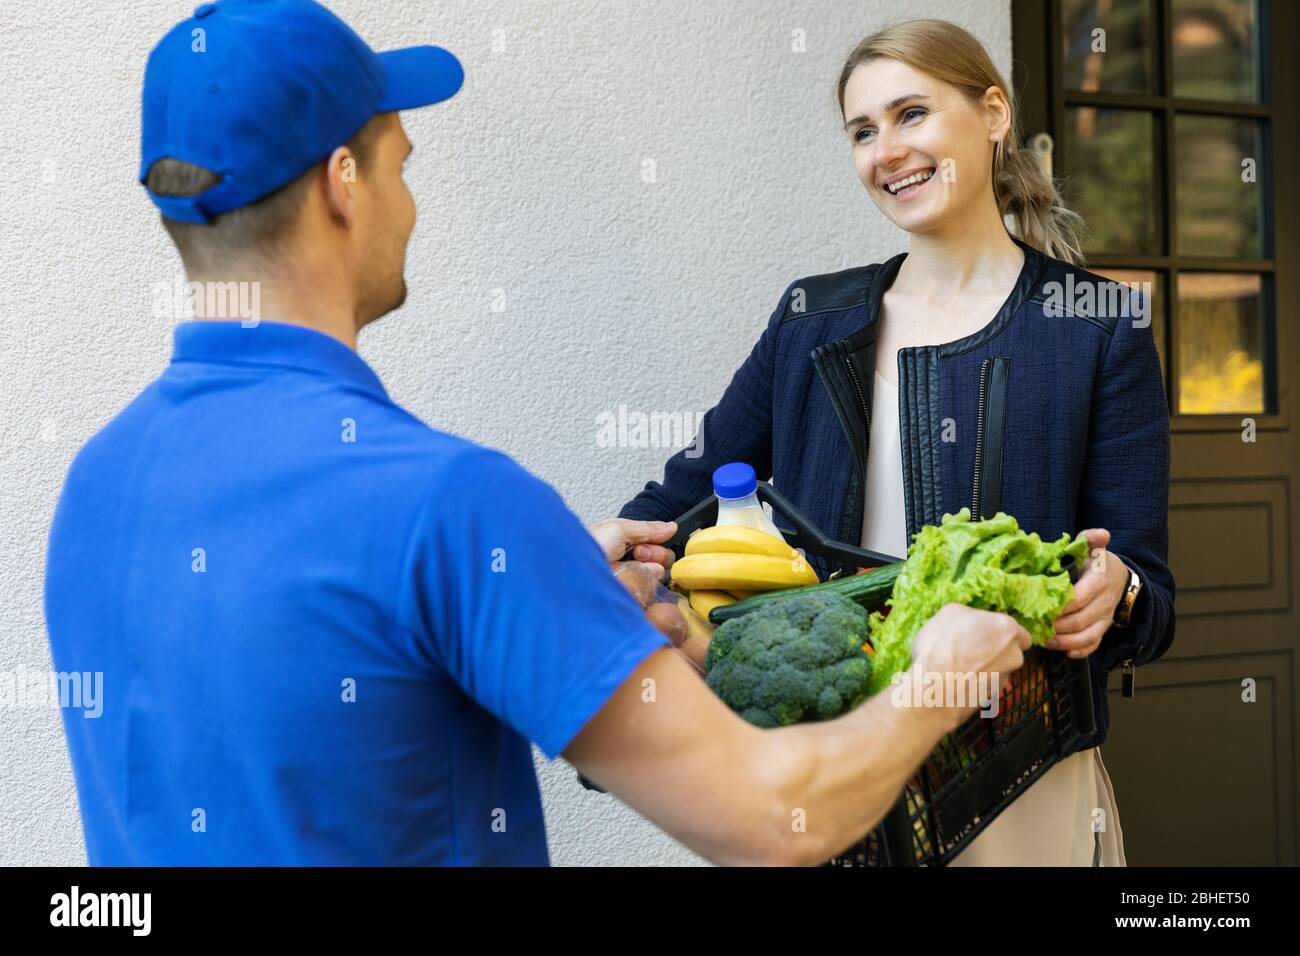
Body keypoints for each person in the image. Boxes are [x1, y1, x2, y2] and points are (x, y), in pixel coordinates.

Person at [44, 0, 1034, 867]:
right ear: (343, 182)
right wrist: (942, 674)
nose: (410, 203)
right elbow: (776, 816)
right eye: (400, 163)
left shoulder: (95, 486)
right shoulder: (449, 503)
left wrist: (540, 589)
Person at [620, 19, 1176, 866]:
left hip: (1017, 775)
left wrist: (1119, 590)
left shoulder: (1098, 327)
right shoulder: (813, 320)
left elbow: (1150, 591)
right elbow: (678, 505)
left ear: (993, 113)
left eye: (911, 113)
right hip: (838, 764)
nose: (887, 151)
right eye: (862, 130)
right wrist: (602, 557)